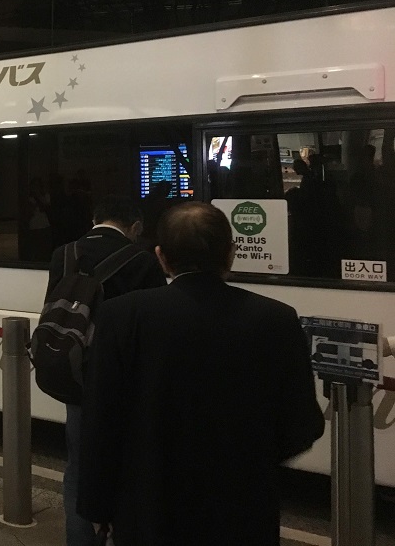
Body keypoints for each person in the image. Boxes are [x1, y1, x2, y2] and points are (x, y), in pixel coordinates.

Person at [78, 202, 325, 545]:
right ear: (231, 253)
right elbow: (303, 426)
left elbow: (100, 423)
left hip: (149, 511)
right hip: (243, 512)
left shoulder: (122, 316)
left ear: (161, 256)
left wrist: (97, 508)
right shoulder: (276, 319)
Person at [46, 195, 166, 546]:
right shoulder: (142, 259)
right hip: (129, 383)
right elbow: (153, 326)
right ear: (136, 227)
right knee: (131, 467)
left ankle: (81, 539)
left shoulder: (63, 254)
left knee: (80, 467)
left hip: (80, 377)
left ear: (95, 219)